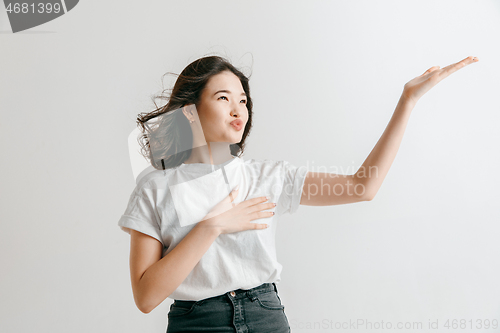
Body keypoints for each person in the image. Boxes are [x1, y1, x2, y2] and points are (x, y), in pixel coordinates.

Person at [118, 55, 478, 332]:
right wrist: (211, 227)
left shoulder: (268, 176)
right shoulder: (155, 187)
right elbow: (146, 297)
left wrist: (407, 101)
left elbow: (362, 186)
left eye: (243, 100)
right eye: (223, 97)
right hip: (198, 323)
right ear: (190, 112)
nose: (237, 109)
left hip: (265, 317)